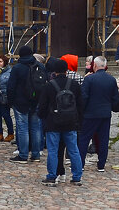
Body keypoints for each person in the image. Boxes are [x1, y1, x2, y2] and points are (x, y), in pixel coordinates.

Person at [37, 58, 83, 186]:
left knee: (53, 150)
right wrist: (79, 121)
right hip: (71, 122)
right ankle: (77, 176)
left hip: (53, 122)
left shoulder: (49, 86)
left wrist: (43, 118)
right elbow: (80, 105)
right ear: (66, 70)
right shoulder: (74, 85)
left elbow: (42, 106)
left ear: (54, 72)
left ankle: (52, 176)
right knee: (73, 150)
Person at [6, 45, 44, 163]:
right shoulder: (40, 66)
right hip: (37, 100)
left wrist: (10, 101)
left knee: (22, 129)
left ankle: (23, 155)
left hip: (21, 102)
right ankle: (36, 154)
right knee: (36, 128)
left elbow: (11, 87)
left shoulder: (17, 68)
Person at [79, 56, 118, 172]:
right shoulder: (111, 79)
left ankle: (80, 163)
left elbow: (84, 97)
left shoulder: (89, 79)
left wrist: (82, 110)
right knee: (103, 139)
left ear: (94, 65)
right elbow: (115, 98)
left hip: (90, 113)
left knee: (84, 139)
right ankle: (101, 164)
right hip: (105, 113)